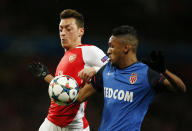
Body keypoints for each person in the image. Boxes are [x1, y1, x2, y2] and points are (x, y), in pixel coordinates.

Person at [77, 25, 187, 131]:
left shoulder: (146, 73)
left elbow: (181, 88)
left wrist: (164, 71)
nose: (108, 51)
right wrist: (64, 85)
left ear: (126, 48)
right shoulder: (107, 70)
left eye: (112, 46)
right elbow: (80, 97)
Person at [29, 9, 109, 131]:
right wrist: (46, 76)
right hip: (51, 122)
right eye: (61, 29)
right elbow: (64, 91)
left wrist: (95, 69)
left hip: (75, 126)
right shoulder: (64, 58)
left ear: (80, 31)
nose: (63, 33)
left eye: (68, 29)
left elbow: (117, 69)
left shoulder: (88, 51)